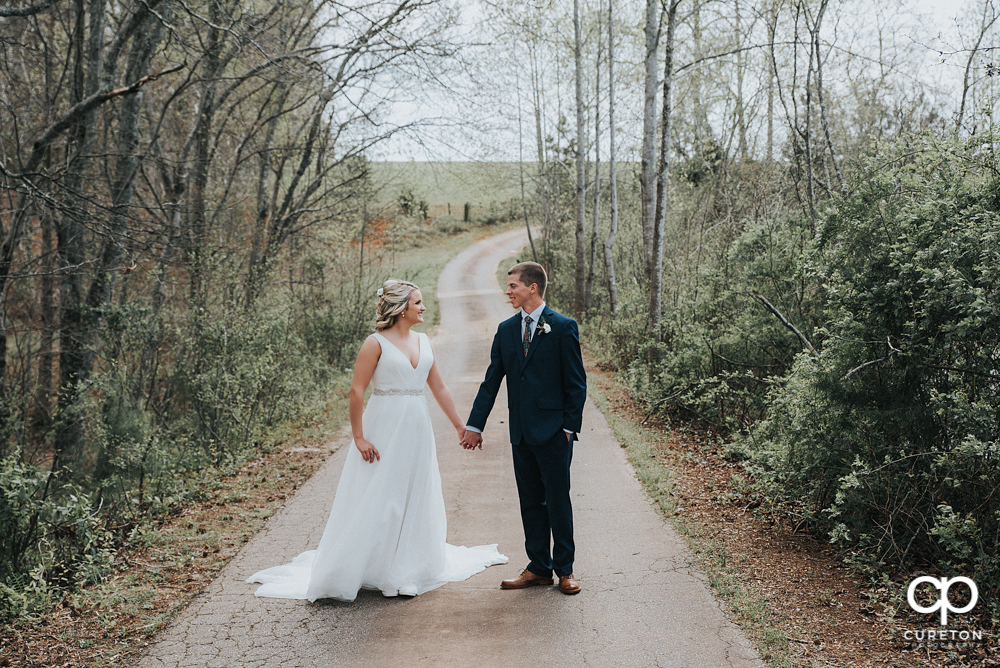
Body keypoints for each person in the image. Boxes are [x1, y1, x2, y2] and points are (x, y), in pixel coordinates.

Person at [247, 279, 506, 602]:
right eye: (418, 302)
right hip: (384, 425)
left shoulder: (425, 341)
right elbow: (357, 390)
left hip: (417, 426)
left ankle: (407, 570)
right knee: (384, 495)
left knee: (416, 492)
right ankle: (376, 567)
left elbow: (439, 387)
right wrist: (358, 436)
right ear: (400, 309)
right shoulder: (375, 343)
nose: (423, 307)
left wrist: (459, 426)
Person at [461, 262, 587, 595]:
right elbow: (491, 382)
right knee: (530, 501)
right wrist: (475, 424)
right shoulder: (505, 330)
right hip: (520, 432)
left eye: (513, 285)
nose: (508, 291)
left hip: (555, 432)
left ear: (532, 288)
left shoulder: (562, 327)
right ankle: (538, 568)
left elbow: (576, 384)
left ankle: (565, 570)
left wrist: (569, 428)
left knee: (558, 501)